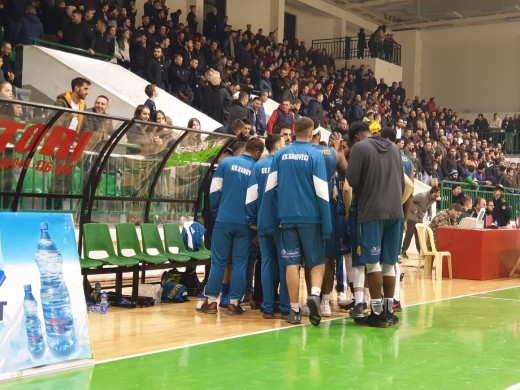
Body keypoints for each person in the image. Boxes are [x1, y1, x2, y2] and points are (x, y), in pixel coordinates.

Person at [262, 117, 332, 326]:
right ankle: (315, 295)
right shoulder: (315, 155)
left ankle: (293, 310)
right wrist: (327, 224)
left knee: (291, 263)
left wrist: (266, 219)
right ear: (311, 134)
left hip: (286, 217)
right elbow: (322, 192)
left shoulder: (281, 154)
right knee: (317, 261)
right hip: (312, 218)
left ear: (293, 131)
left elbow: (268, 189)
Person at [346, 120, 404, 327]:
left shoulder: (359, 148)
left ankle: (377, 312)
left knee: (372, 263)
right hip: (396, 212)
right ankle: (389, 311)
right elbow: (404, 182)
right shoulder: (396, 149)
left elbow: (351, 180)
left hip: (372, 211)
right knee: (389, 263)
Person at [198, 137, 265, 315]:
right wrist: (252, 219)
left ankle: (211, 302)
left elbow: (214, 190)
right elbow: (254, 197)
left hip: (223, 220)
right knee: (240, 263)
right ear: (257, 153)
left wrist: (216, 209)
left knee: (218, 262)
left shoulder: (226, 163)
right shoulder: (256, 168)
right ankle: (234, 304)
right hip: (244, 223)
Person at [245, 134, 290, 319]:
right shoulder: (284, 165)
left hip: (263, 220)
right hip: (282, 221)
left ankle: (268, 306)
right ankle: (287, 307)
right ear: (278, 146)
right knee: (286, 263)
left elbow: (251, 195)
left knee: (266, 262)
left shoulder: (259, 166)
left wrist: (251, 218)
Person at [47, 77, 91, 210]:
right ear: (76, 88)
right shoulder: (61, 103)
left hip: (72, 148)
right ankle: (52, 210)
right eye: (85, 88)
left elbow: (84, 127)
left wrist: (78, 142)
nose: (87, 92)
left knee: (69, 184)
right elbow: (57, 126)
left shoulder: (83, 107)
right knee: (58, 180)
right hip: (59, 145)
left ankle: (57, 209)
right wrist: (71, 141)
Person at [401, 186, 440, 259]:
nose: (439, 195)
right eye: (438, 193)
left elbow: (429, 206)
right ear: (434, 192)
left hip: (419, 219)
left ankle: (421, 253)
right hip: (412, 217)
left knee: (419, 236)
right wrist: (415, 209)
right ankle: (403, 251)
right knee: (409, 235)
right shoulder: (422, 196)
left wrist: (430, 214)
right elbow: (410, 199)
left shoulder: (432, 199)